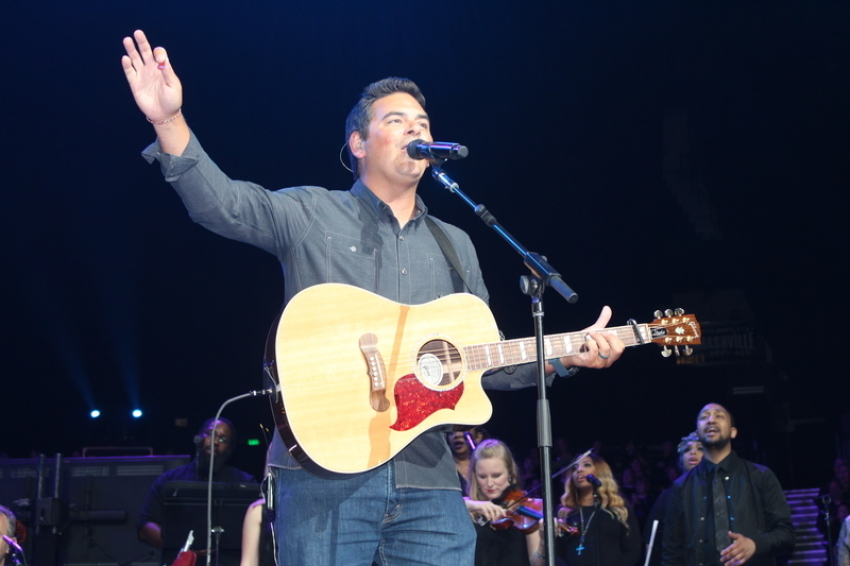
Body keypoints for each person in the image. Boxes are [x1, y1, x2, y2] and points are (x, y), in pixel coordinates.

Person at [120, 29, 626, 566]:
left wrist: (562, 356)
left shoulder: (455, 245)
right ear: (358, 143)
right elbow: (223, 206)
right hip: (324, 475)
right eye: (397, 121)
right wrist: (167, 120)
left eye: (423, 124)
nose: (416, 129)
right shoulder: (313, 213)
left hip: (429, 481)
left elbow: (485, 362)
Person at [661, 403, 795, 566]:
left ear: (733, 432)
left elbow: (786, 533)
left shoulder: (761, 476)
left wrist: (754, 544)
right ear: (698, 433)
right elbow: (671, 552)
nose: (711, 420)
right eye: (704, 417)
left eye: (719, 415)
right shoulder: (681, 487)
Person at [137, 418, 257, 559]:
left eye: (223, 439)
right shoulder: (170, 480)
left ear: (230, 449)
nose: (215, 442)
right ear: (198, 438)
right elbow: (145, 527)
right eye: (210, 434)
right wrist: (182, 547)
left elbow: (260, 529)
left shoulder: (246, 482)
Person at [540, 451, 641, 566]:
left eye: (586, 465)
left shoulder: (619, 509)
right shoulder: (563, 512)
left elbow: (632, 551)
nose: (579, 470)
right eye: (575, 467)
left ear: (600, 472)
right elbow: (555, 553)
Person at [463, 439, 541, 566]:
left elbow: (536, 563)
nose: (489, 483)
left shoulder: (525, 507)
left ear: (510, 473)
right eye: (482, 476)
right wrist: (472, 505)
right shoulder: (469, 508)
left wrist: (543, 545)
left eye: (496, 475)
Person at [644, 432, 704, 566]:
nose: (693, 453)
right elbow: (651, 539)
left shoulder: (721, 492)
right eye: (688, 450)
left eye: (700, 448)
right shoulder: (668, 496)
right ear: (681, 459)